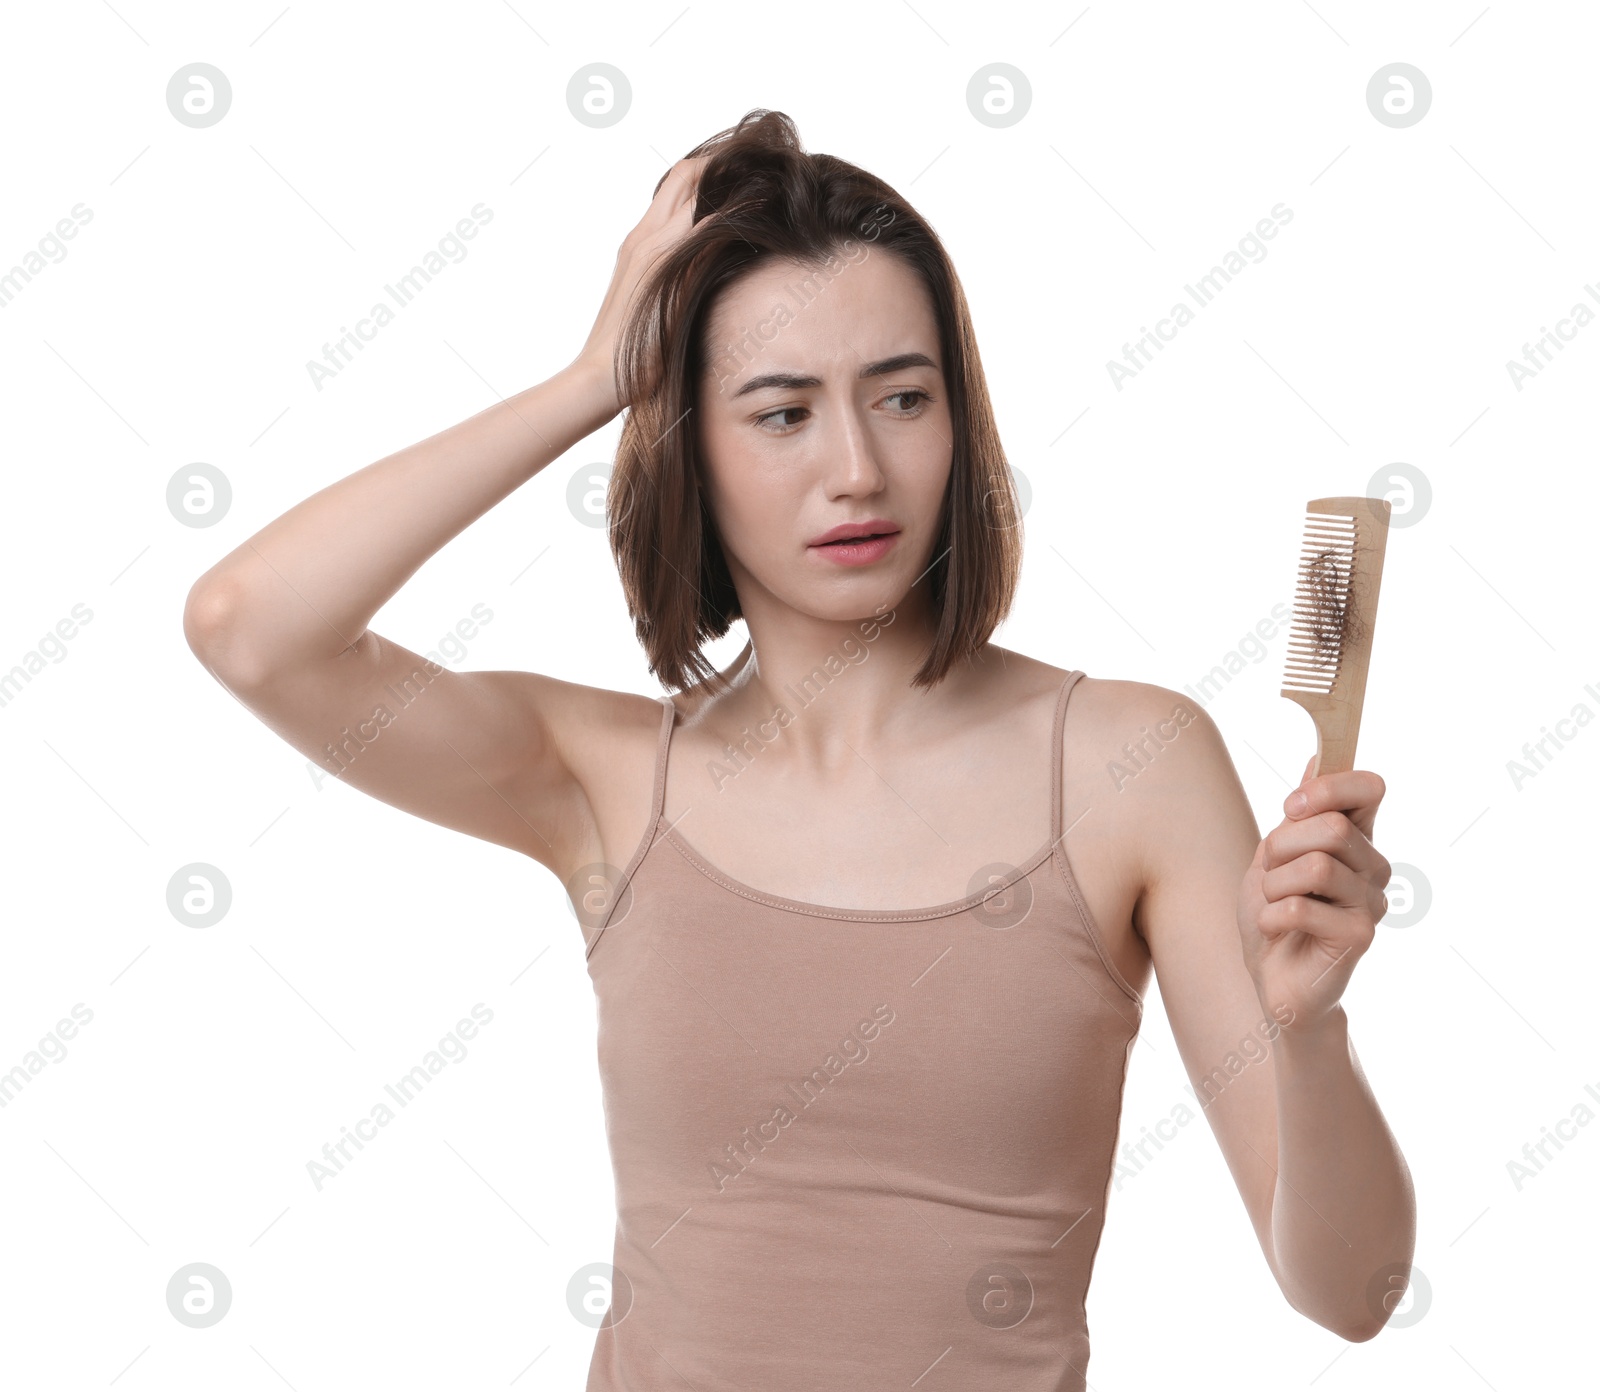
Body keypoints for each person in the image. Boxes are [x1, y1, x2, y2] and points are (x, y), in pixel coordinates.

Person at [183, 108, 1415, 1389]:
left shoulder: (1130, 763)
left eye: (902, 397)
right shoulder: (603, 780)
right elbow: (251, 630)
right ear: (691, 449)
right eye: (781, 413)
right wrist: (593, 378)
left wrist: (1307, 1032)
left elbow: (1355, 1293)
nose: (857, 468)